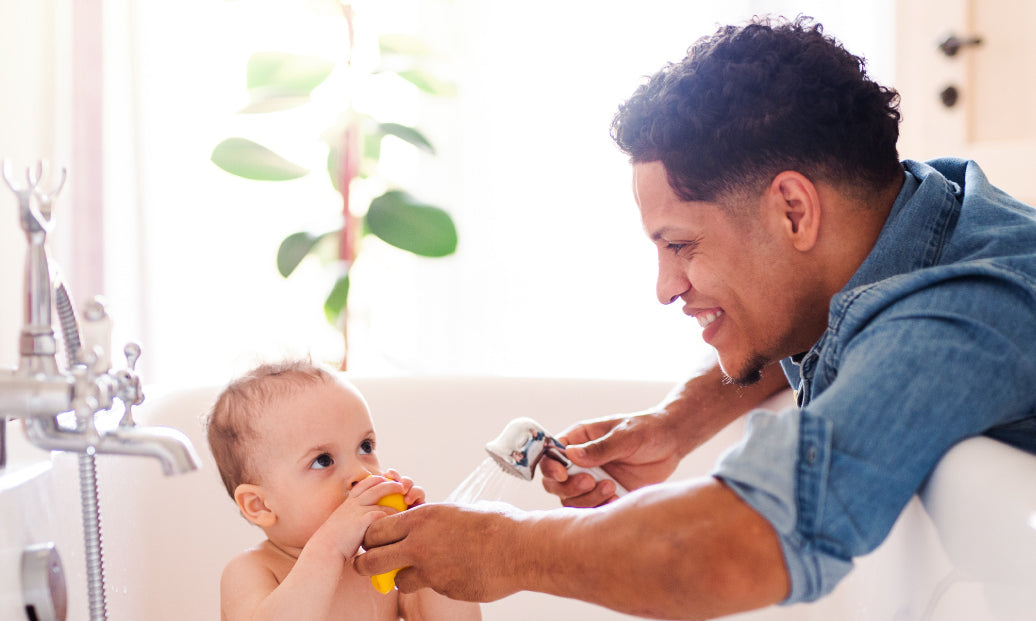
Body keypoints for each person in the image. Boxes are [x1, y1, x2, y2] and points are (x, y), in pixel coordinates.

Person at [354, 15, 1036, 619]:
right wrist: (677, 422)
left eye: (680, 244)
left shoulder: (964, 311)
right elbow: (816, 308)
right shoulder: (916, 212)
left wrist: (502, 548)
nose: (664, 287)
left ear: (793, 210)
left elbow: (730, 549)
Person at [205, 359, 481, 621]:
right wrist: (328, 548)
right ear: (260, 505)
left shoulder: (378, 565)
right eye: (323, 460)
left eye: (365, 447)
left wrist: (422, 548)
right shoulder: (251, 571)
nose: (362, 473)